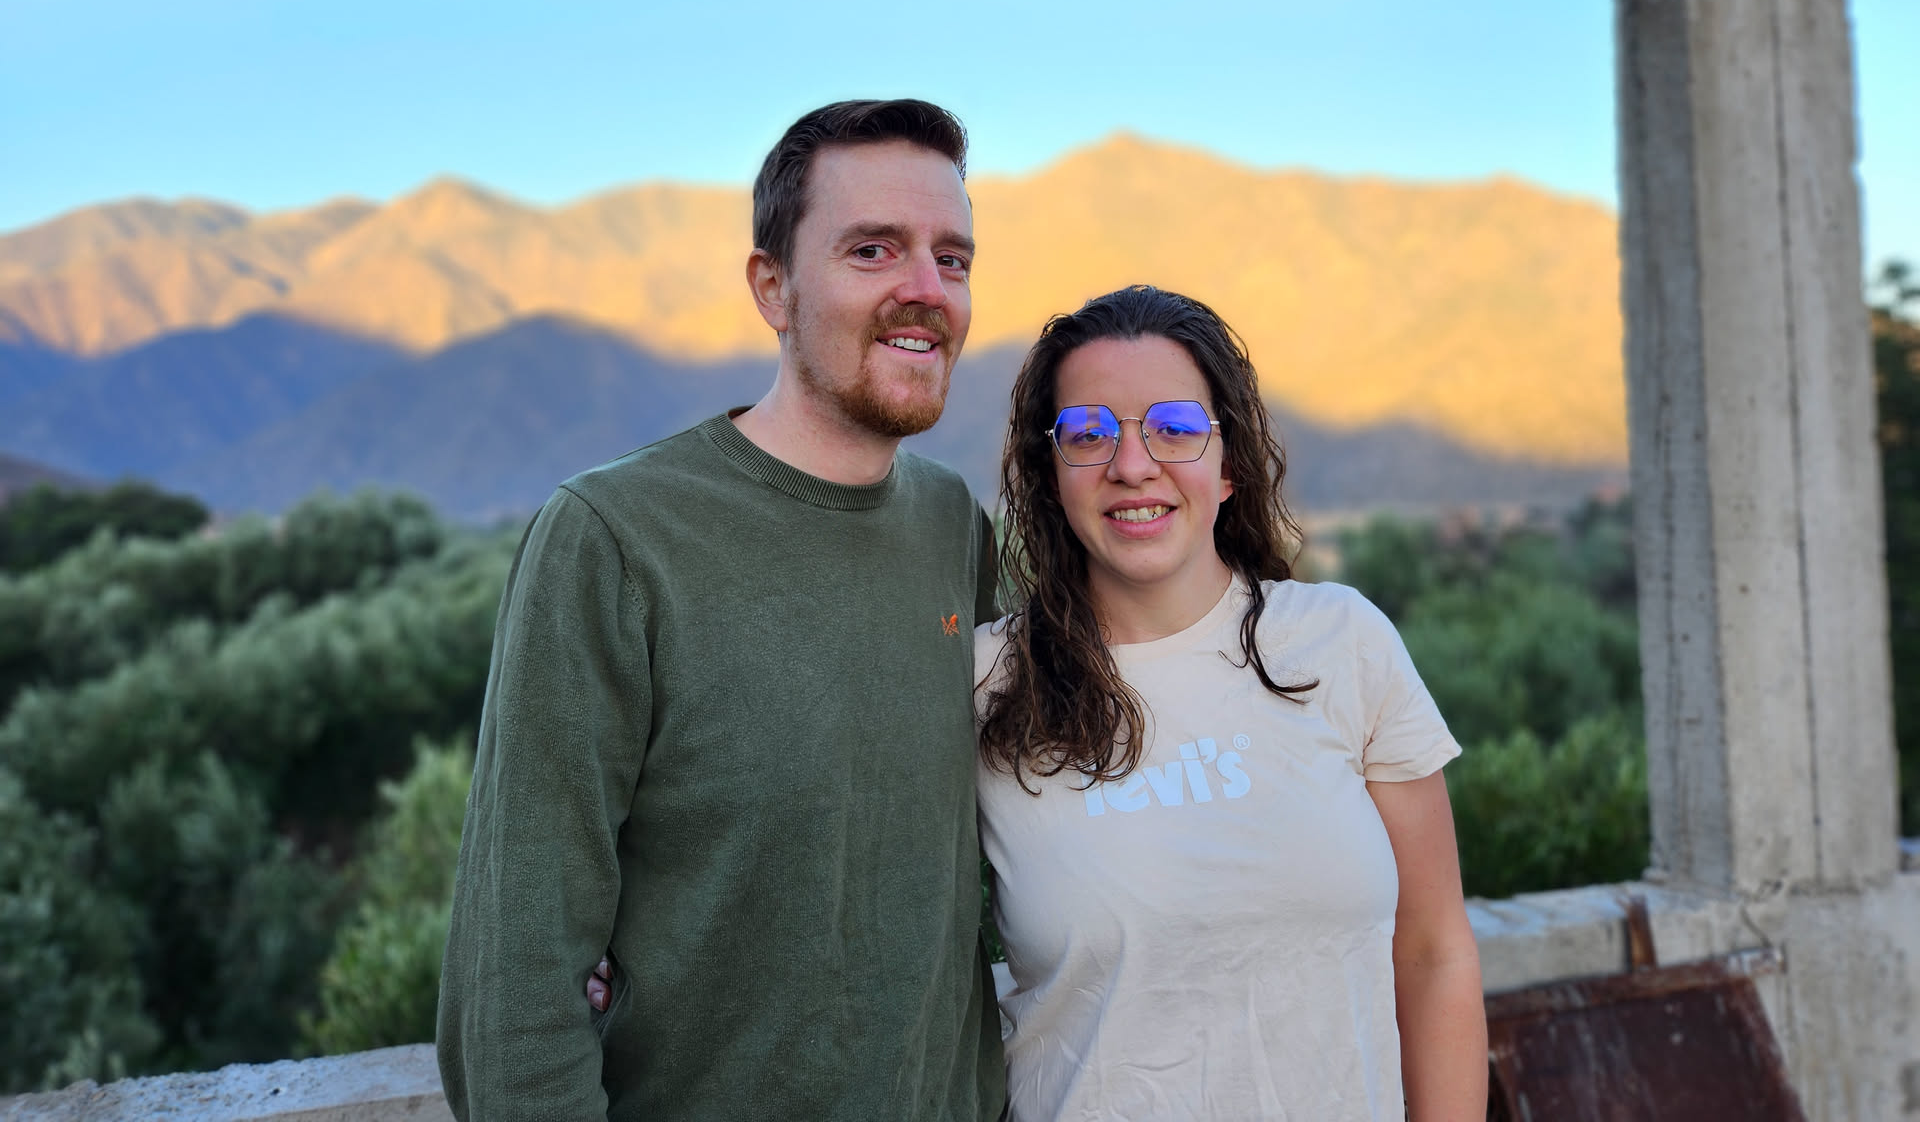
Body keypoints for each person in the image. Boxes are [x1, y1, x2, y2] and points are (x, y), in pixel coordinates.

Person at [437, 99, 1006, 1122]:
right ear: (772, 287)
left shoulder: (952, 525)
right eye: (873, 250)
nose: (926, 290)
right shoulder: (614, 539)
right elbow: (515, 983)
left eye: (952, 258)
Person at [974, 284, 1486, 1121]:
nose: (1132, 464)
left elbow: (1434, 954)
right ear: (1051, 473)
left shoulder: (1341, 642)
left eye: (1175, 427)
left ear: (1229, 464)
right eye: (1088, 433)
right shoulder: (988, 685)